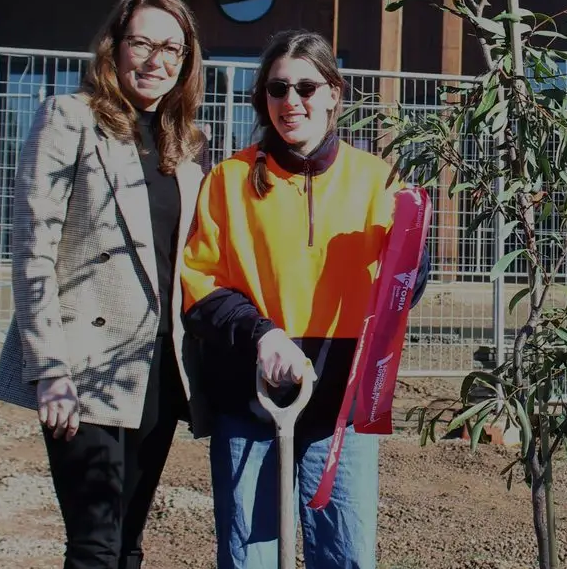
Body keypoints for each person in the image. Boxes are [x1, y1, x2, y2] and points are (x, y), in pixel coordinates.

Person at [180, 28, 430, 569]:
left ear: (334, 92)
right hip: (251, 401)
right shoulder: (229, 180)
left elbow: (402, 288)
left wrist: (415, 249)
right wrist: (262, 333)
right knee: (251, 558)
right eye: (277, 88)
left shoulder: (379, 180)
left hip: (341, 409)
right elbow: (200, 285)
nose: (291, 101)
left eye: (307, 87)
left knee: (346, 556)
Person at [0, 0, 211, 569]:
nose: (155, 60)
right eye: (141, 42)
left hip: (157, 367)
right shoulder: (71, 119)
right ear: (114, 48)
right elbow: (32, 250)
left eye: (172, 48)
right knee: (94, 545)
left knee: (130, 544)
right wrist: (50, 369)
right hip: (83, 362)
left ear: (186, 62)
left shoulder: (185, 147)